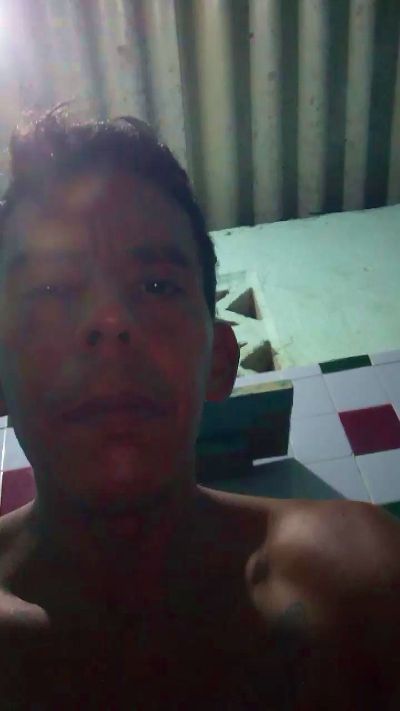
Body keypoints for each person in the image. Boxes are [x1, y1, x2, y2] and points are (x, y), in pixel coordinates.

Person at [0, 108, 399, 711]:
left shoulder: (359, 578)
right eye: (51, 290)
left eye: (157, 286)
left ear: (220, 361)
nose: (108, 321)